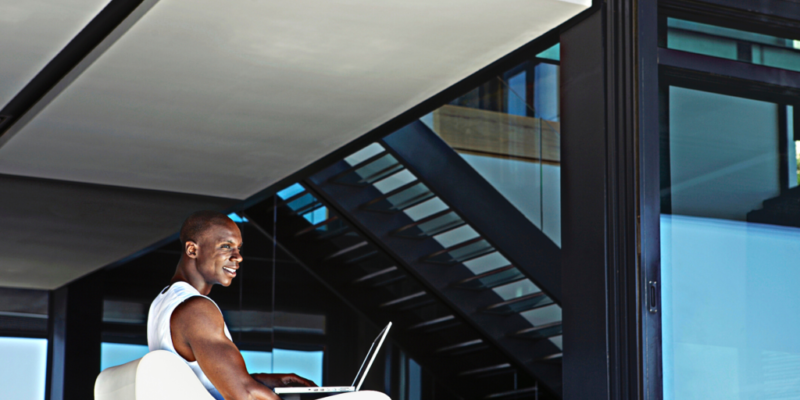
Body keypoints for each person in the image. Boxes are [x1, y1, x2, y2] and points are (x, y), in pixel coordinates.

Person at [147, 210, 316, 400]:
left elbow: (196, 385)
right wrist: (248, 386)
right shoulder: (196, 309)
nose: (238, 257)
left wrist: (258, 380)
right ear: (192, 250)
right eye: (226, 246)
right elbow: (245, 396)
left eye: (238, 248)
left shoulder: (162, 301)